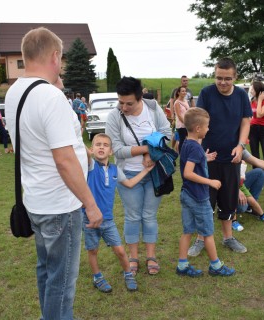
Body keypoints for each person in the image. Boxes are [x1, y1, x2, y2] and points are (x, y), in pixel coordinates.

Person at [4, 27, 103, 320]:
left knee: (47, 271)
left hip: (36, 200)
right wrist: (91, 203)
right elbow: (64, 160)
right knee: (61, 282)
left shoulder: (14, 92)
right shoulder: (49, 96)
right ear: (55, 56)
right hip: (61, 205)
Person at [105, 76, 172, 276]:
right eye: (121, 102)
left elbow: (166, 132)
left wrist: (153, 154)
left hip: (155, 173)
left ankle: (151, 256)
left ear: (140, 96)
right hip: (127, 174)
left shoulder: (153, 109)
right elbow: (115, 149)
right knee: (133, 216)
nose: (124, 107)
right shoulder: (114, 116)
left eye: (129, 103)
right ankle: (133, 258)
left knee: (149, 216)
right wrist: (145, 150)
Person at [190, 57, 252, 254]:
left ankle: (228, 238)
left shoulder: (241, 95)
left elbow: (245, 122)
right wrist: (199, 153)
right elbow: (197, 123)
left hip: (232, 158)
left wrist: (241, 146)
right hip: (209, 158)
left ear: (235, 77)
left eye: (227, 78)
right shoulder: (207, 93)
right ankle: (201, 239)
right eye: (219, 78)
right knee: (205, 200)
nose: (223, 83)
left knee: (228, 199)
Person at [84, 133, 154, 293]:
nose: (101, 147)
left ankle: (128, 274)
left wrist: (146, 171)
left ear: (111, 151)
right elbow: (84, 152)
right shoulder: (90, 165)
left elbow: (129, 183)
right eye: (97, 144)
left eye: (105, 145)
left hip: (108, 220)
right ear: (92, 149)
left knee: (121, 251)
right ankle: (98, 277)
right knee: (93, 250)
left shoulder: (116, 169)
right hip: (89, 218)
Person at [190, 148, 264, 254]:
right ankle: (200, 240)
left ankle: (228, 238)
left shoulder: (237, 146)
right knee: (207, 209)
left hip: (231, 182)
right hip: (211, 182)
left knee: (231, 206)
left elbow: (256, 161)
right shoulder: (209, 142)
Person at [177, 107, 235, 277]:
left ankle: (182, 265)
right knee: (207, 232)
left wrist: (205, 158)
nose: (208, 129)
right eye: (207, 126)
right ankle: (216, 266)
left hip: (186, 194)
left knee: (187, 231)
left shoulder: (187, 143)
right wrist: (210, 181)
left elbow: (191, 161)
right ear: (198, 128)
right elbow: (188, 173)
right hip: (198, 196)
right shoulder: (195, 148)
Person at [169, 76, 196, 149]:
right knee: (177, 134)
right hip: (180, 118)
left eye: (187, 80)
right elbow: (171, 102)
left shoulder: (189, 91)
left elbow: (192, 102)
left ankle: (182, 149)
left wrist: (194, 112)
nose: (186, 82)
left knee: (184, 136)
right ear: (181, 81)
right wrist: (172, 113)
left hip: (187, 117)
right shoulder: (175, 91)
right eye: (184, 80)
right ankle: (172, 148)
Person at [174, 86, 190, 152]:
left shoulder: (185, 101)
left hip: (187, 123)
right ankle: (181, 154)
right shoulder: (177, 102)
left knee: (188, 139)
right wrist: (185, 123)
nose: (184, 92)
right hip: (181, 125)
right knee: (182, 140)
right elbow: (179, 115)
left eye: (185, 91)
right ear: (178, 93)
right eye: (182, 91)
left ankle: (186, 152)